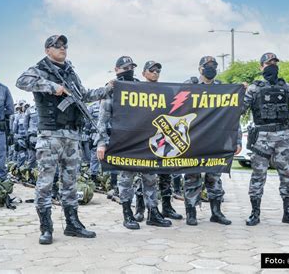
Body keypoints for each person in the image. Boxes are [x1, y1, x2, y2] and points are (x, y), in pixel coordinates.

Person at [16, 34, 112, 244]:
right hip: (50, 134)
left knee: (70, 182)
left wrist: (108, 89)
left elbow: (84, 95)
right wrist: (52, 87)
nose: (63, 48)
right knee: (45, 183)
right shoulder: (39, 69)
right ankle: (46, 228)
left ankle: (72, 224)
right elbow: (21, 81)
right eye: (57, 45)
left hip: (71, 136)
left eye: (65, 45)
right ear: (47, 49)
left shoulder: (70, 73)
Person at [97, 56, 172, 230]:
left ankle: (153, 213)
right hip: (124, 142)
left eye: (131, 67)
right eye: (124, 67)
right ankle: (127, 214)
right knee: (126, 180)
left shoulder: (141, 87)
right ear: (116, 70)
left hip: (145, 142)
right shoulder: (111, 89)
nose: (128, 70)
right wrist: (101, 143)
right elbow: (103, 119)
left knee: (150, 178)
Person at [241, 52, 289, 227]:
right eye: (268, 63)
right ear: (261, 67)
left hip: (283, 138)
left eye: (274, 63)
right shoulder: (254, 88)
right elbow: (240, 109)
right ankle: (254, 214)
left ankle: (288, 213)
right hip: (261, 138)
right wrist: (239, 93)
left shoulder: (287, 87)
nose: (272, 66)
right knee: (258, 175)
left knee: (287, 176)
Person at [183, 56, 242, 226]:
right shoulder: (191, 85)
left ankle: (216, 212)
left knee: (214, 177)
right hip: (194, 139)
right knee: (192, 176)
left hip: (216, 140)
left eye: (214, 65)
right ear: (200, 68)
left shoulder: (224, 89)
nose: (211, 68)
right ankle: (191, 213)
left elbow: (233, 116)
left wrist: (236, 140)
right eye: (207, 66)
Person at [141, 61, 183, 220]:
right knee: (145, 176)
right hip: (144, 139)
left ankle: (167, 207)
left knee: (166, 174)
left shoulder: (166, 91)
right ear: (144, 73)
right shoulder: (136, 89)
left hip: (164, 138)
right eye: (151, 70)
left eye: (158, 70)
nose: (155, 73)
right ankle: (142, 209)